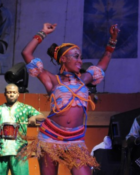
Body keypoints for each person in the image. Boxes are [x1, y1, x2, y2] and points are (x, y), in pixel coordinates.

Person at [17, 22, 119, 175]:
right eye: (76, 57)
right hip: (50, 137)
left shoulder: (84, 79)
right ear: (63, 59)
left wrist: (112, 40)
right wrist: (42, 33)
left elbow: (102, 65)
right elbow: (26, 53)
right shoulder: (52, 79)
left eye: (81, 58)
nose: (80, 61)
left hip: (75, 140)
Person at [0, 83, 45, 175]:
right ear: (5, 94)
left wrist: (34, 118)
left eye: (14, 92)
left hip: (20, 150)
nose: (11, 94)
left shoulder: (25, 108)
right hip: (2, 150)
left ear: (18, 94)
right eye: (9, 92)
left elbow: (42, 117)